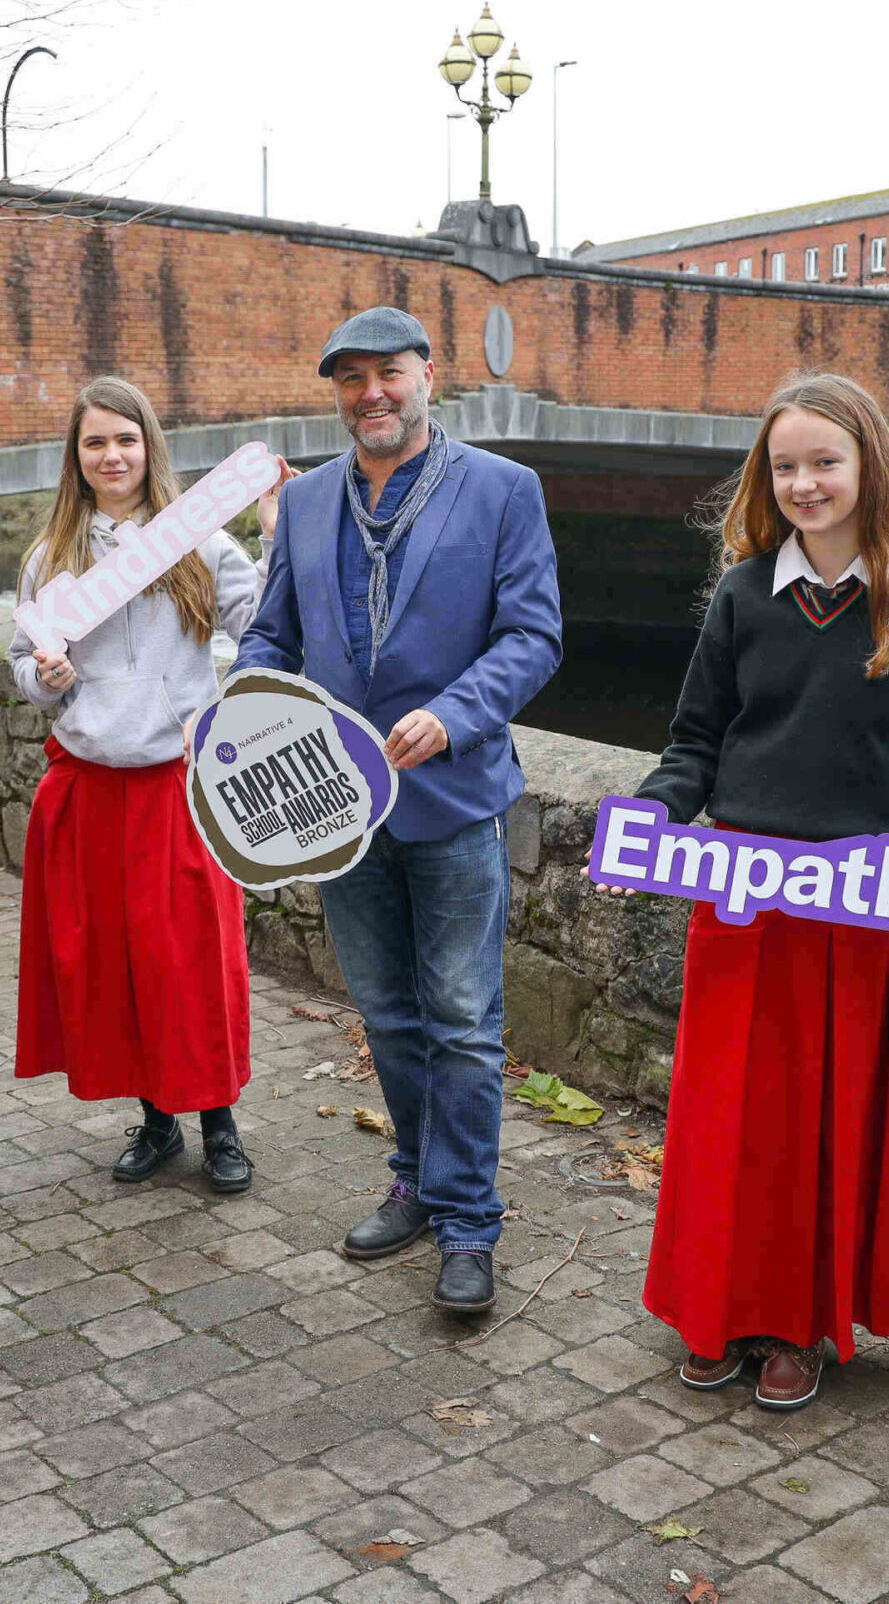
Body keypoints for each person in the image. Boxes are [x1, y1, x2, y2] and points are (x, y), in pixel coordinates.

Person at [619, 372, 889, 1411]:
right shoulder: (741, 596)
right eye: (785, 467)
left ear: (868, 464)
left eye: (824, 461)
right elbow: (696, 742)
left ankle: (800, 1323)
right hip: (741, 895)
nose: (805, 482)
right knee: (728, 1119)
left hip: (857, 906)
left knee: (820, 1124)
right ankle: (716, 1308)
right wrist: (655, 810)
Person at [234, 306, 563, 1314]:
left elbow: (533, 635)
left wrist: (453, 715)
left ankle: (469, 1220)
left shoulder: (506, 490)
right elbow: (269, 635)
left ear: (428, 376)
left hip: (454, 797)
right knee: (384, 1013)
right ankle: (419, 1179)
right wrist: (252, 713)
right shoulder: (308, 500)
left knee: (462, 1020)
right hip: (337, 810)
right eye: (350, 379)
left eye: (389, 372)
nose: (371, 393)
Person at [7, 378, 282, 1190]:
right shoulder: (48, 555)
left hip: (178, 784)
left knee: (194, 961)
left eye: (124, 439)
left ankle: (219, 1123)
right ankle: (158, 1121)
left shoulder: (197, 542)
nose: (111, 455)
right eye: (95, 442)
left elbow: (261, 625)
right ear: (77, 456)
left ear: (148, 446)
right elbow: (22, 665)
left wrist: (276, 542)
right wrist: (47, 676)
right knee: (116, 964)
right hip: (91, 783)